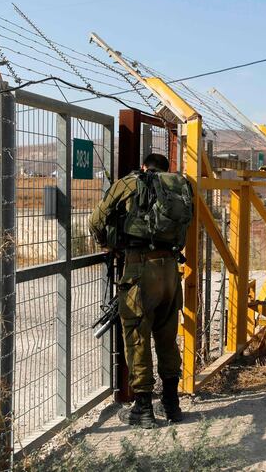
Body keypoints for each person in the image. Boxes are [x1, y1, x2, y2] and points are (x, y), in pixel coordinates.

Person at [89, 153, 192, 428]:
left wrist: (107, 243)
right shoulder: (179, 185)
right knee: (168, 337)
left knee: (137, 336)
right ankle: (172, 403)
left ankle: (143, 409)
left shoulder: (130, 183)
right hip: (171, 269)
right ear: (166, 170)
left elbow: (96, 221)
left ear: (144, 167)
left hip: (140, 269)